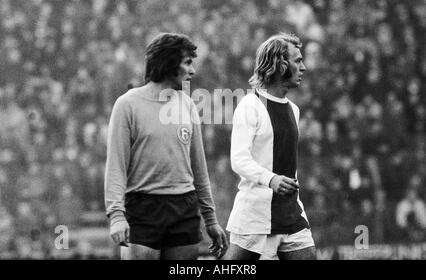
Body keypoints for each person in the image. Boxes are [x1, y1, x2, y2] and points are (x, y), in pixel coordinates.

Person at [104, 32, 228, 260]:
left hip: (184, 207)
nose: (193, 71)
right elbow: (116, 167)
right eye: (187, 62)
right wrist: (116, 216)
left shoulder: (188, 105)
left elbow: (198, 169)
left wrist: (210, 219)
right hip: (142, 207)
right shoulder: (127, 105)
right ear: (169, 63)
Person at [225, 33, 316, 260]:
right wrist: (271, 179)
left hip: (291, 212)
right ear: (280, 64)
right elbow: (239, 159)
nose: (303, 67)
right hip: (255, 215)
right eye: (298, 61)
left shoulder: (293, 110)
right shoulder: (250, 106)